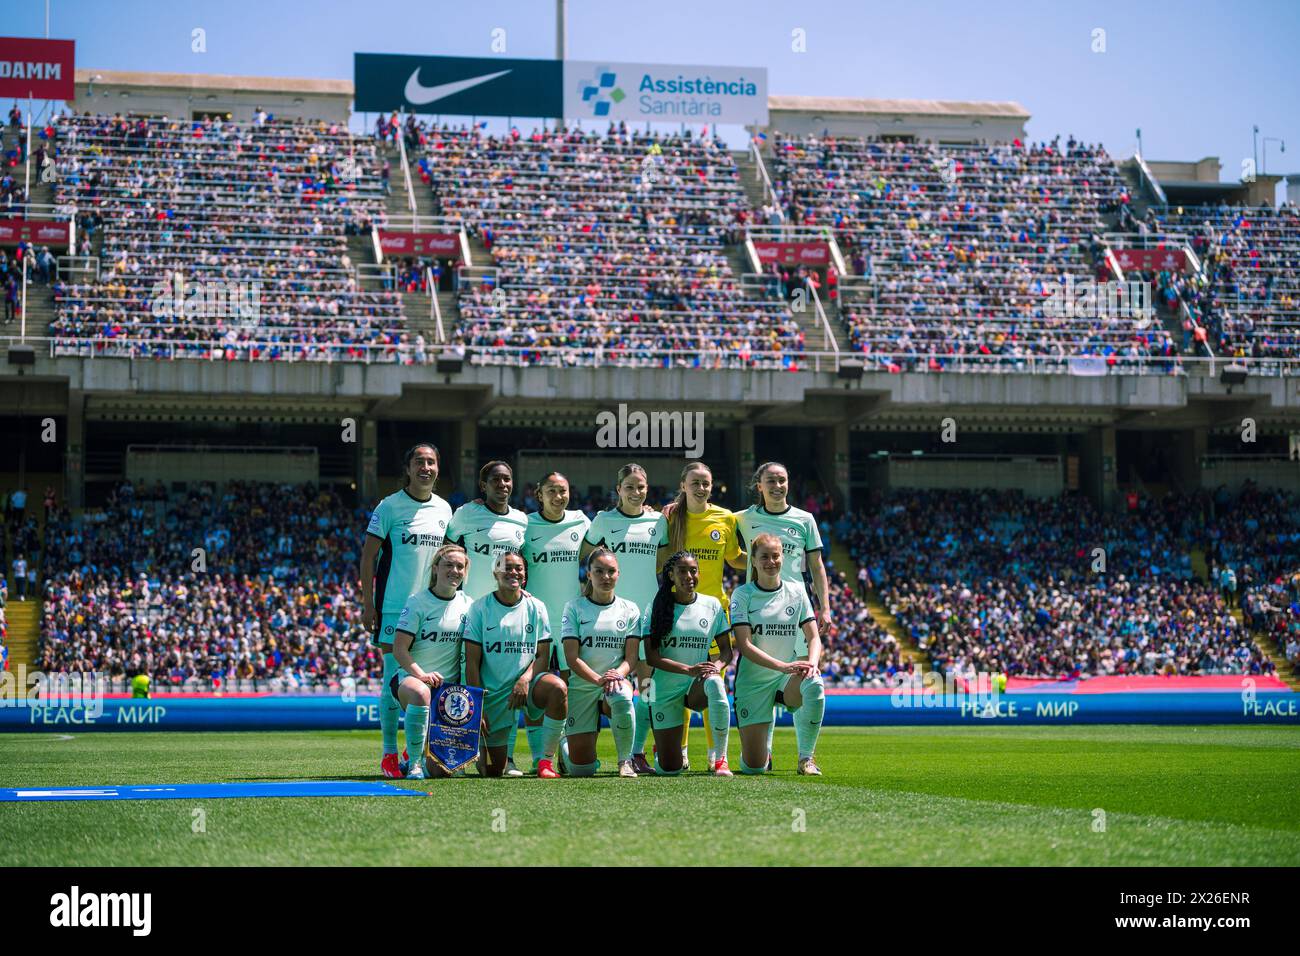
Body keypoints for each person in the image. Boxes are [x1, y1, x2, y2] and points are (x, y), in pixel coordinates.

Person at [359, 443, 454, 779]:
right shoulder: (389, 507)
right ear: (408, 468)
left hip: (433, 610)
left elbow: (452, 560)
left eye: (431, 461)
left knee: (424, 680)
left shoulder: (445, 510)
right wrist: (368, 604)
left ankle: (412, 750)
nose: (425, 467)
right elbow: (368, 557)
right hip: (394, 608)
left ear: (438, 468)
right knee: (390, 679)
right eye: (419, 462)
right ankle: (388, 754)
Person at [581, 463, 668, 774]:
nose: (636, 492)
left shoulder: (658, 521)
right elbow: (585, 556)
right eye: (629, 486)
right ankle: (575, 747)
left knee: (647, 688)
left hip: (645, 618)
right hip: (606, 617)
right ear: (618, 489)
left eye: (641, 486)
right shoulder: (604, 520)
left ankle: (637, 753)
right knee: (596, 686)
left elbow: (661, 563)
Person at [662, 462, 746, 771]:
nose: (701, 487)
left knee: (714, 683)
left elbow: (735, 559)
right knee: (677, 682)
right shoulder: (670, 517)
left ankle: (716, 755)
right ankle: (679, 751)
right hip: (678, 613)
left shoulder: (725, 518)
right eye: (695, 482)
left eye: (706, 483)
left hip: (714, 614)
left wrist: (776, 561)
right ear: (683, 485)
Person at [445, 461, 528, 773]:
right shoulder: (466, 514)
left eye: (507, 479)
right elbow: (448, 549)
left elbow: (522, 565)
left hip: (505, 611)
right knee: (467, 681)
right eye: (495, 480)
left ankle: (503, 757)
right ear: (483, 485)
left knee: (504, 684)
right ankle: (461, 752)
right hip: (470, 610)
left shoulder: (522, 520)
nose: (503, 485)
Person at [463, 550, 567, 778]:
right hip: (494, 694)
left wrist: (524, 678)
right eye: (506, 567)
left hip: (529, 685)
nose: (513, 572)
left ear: (525, 574)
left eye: (518, 568)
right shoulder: (479, 608)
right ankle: (480, 752)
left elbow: (543, 655)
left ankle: (545, 762)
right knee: (491, 770)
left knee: (557, 687)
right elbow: (471, 662)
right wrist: (477, 705)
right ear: (495, 573)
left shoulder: (537, 607)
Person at [730, 534, 825, 775]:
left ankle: (806, 759)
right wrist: (782, 665)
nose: (771, 561)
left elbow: (814, 637)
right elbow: (745, 645)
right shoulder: (742, 594)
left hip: (786, 679)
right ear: (753, 561)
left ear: (783, 557)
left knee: (814, 682)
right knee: (755, 768)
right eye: (764, 557)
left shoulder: (797, 591)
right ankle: (762, 749)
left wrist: (812, 663)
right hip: (753, 683)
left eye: (775, 556)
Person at [641, 550, 733, 775]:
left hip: (696, 686)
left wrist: (716, 667)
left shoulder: (712, 606)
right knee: (670, 769)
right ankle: (661, 752)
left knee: (715, 683)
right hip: (665, 690)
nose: (689, 576)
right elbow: (652, 657)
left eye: (693, 571)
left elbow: (726, 652)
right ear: (671, 575)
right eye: (682, 571)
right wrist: (687, 669)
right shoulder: (656, 606)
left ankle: (720, 759)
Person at [522, 471, 589, 771]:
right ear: (540, 494)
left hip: (570, 622)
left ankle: (564, 749)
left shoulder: (581, 522)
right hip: (534, 622)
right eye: (552, 490)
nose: (558, 496)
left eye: (563, 490)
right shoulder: (525, 525)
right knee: (534, 685)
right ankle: (538, 756)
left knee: (570, 688)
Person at [390, 544, 474, 780]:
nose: (455, 570)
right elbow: (399, 649)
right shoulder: (417, 602)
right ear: (435, 568)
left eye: (460, 566)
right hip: (412, 681)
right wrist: (422, 675)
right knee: (420, 693)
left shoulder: (469, 604)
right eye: (449, 565)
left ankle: (412, 756)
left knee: (442, 772)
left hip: (450, 694)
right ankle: (415, 764)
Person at [561, 548, 641, 777]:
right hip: (584, 685)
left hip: (615, 681)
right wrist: (598, 679)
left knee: (623, 696)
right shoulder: (574, 607)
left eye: (611, 571)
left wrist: (616, 675)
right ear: (588, 574)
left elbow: (631, 658)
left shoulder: (630, 609)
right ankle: (564, 746)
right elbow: (571, 657)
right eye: (599, 571)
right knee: (581, 770)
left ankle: (625, 762)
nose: (606, 577)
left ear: (618, 574)